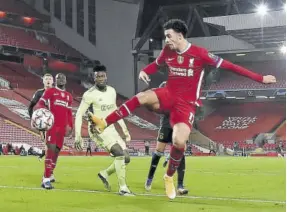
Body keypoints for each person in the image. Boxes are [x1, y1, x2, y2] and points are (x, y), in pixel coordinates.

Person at [88, 19, 277, 199]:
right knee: (141, 97)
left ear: (180, 35)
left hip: (186, 104)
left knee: (179, 142)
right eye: (165, 36)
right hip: (168, 93)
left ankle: (169, 177)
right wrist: (145, 71)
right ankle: (104, 122)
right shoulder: (167, 50)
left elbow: (231, 66)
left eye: (169, 36)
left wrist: (260, 78)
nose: (166, 40)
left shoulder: (200, 53)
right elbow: (157, 64)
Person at [74, 65, 133, 196]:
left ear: (106, 76)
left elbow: (116, 112)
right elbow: (79, 114)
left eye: (102, 76)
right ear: (93, 78)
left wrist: (125, 129)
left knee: (126, 158)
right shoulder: (89, 94)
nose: (100, 79)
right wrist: (78, 135)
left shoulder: (112, 91)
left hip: (110, 128)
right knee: (119, 153)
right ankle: (123, 188)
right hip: (98, 130)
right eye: (97, 77)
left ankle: (104, 174)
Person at [145, 81, 188, 195]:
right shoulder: (164, 88)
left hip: (178, 126)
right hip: (166, 126)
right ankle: (149, 178)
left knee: (180, 154)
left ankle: (180, 185)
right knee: (158, 153)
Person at [34, 73, 73, 189]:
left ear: (65, 80)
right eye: (58, 78)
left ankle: (50, 173)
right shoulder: (50, 91)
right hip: (52, 126)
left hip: (62, 128)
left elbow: (69, 113)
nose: (60, 79)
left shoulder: (68, 96)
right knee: (50, 149)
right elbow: (40, 103)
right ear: (55, 81)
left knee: (57, 150)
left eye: (62, 78)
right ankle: (45, 179)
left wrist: (70, 126)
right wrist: (46, 114)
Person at [28, 73, 54, 161]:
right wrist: (32, 119)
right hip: (44, 122)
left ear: (53, 81)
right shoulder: (39, 93)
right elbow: (30, 106)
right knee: (47, 143)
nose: (48, 80)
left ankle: (44, 157)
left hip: (56, 121)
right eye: (46, 79)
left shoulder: (57, 92)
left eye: (50, 79)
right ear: (43, 81)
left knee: (53, 145)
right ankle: (48, 166)